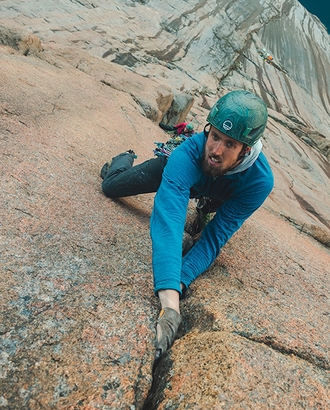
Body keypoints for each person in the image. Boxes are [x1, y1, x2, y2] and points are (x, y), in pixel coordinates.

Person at [100, 90, 274, 360]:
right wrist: (170, 302)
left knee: (202, 230)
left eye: (229, 144)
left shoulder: (258, 182)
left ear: (246, 150)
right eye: (214, 136)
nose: (215, 150)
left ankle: (206, 205)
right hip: (183, 174)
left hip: (220, 192)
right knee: (111, 187)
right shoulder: (190, 152)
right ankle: (124, 159)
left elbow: (215, 239)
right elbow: (169, 219)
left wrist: (182, 281)